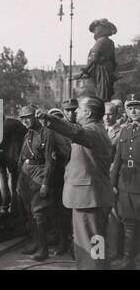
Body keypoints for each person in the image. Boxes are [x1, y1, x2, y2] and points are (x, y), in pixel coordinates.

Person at [37, 97, 115, 270]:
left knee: (91, 247)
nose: (76, 111)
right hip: (91, 198)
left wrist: (50, 119)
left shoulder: (92, 131)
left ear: (88, 113)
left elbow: (74, 132)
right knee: (94, 245)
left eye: (79, 108)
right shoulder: (96, 130)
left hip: (90, 200)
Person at [17, 106, 56, 261]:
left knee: (38, 212)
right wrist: (19, 181)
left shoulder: (46, 133)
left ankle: (43, 249)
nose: (25, 120)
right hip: (26, 175)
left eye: (28, 117)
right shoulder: (27, 134)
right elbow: (21, 159)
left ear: (35, 116)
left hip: (39, 173)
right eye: (22, 118)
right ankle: (35, 242)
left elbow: (50, 160)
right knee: (29, 211)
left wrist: (46, 182)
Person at [110, 93, 140, 270]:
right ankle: (128, 260)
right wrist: (113, 183)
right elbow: (117, 159)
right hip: (124, 184)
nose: (133, 111)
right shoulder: (124, 130)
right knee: (128, 222)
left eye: (137, 107)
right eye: (130, 108)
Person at [48, 108, 72, 256]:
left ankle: (69, 242)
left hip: (68, 173)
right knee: (59, 210)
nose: (57, 120)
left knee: (67, 210)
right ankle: (63, 241)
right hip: (57, 175)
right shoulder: (50, 133)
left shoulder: (68, 133)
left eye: (59, 118)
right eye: (54, 118)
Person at [103, 102, 124, 261]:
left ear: (117, 114)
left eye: (110, 114)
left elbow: (119, 161)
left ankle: (114, 251)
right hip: (97, 178)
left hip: (111, 178)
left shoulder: (122, 131)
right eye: (104, 114)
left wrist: (114, 182)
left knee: (113, 217)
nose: (107, 117)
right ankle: (100, 250)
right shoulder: (99, 129)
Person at [80, 19, 118, 102]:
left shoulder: (100, 41)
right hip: (108, 69)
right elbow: (114, 61)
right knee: (106, 93)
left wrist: (85, 70)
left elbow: (94, 58)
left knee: (101, 94)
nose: (94, 32)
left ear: (100, 29)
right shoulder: (111, 42)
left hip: (101, 70)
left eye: (95, 29)